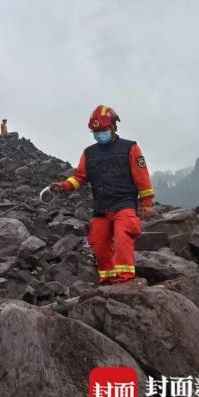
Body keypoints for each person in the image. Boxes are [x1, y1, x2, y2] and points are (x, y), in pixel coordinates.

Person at [51, 105, 154, 285]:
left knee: (123, 236)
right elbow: (80, 177)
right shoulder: (89, 153)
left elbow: (142, 176)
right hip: (101, 207)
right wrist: (63, 186)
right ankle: (107, 279)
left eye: (103, 130)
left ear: (114, 127)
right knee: (98, 243)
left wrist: (147, 203)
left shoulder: (130, 148)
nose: (99, 134)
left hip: (124, 204)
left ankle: (125, 280)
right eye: (96, 131)